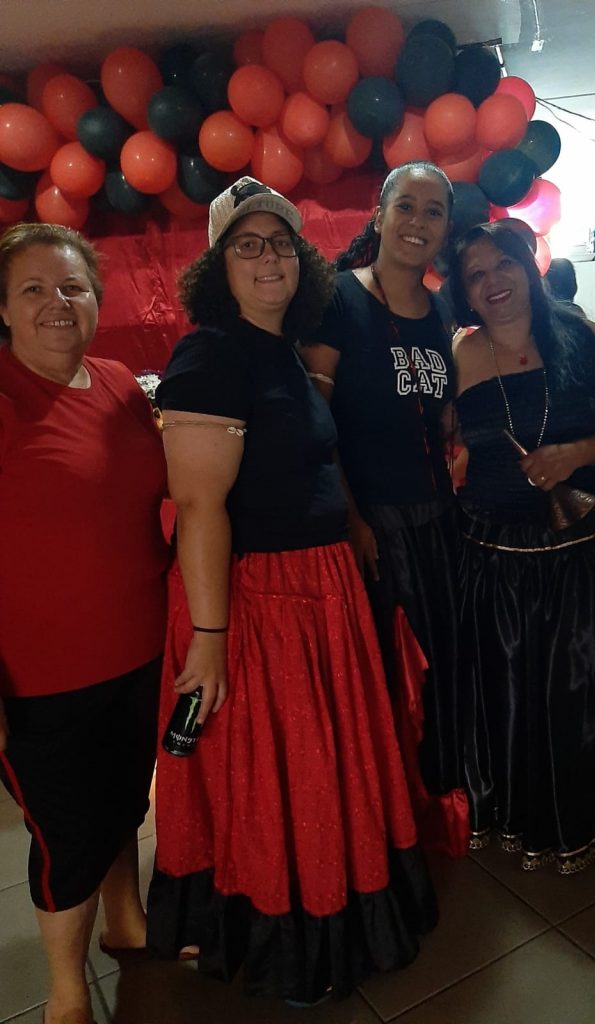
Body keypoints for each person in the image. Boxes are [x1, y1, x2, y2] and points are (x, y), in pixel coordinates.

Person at [146, 177, 437, 1005]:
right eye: (247, 245)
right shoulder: (211, 354)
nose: (268, 257)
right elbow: (199, 506)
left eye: (280, 243)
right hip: (259, 599)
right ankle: (288, 934)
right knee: (284, 772)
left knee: (320, 767)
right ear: (218, 265)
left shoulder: (280, 349)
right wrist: (211, 640)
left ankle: (337, 907)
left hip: (317, 587)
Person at [0, 223, 168, 1024]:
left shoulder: (120, 384)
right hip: (37, 678)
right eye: (33, 289)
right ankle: (66, 994)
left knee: (124, 801)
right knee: (68, 835)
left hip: (138, 652)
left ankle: (127, 923)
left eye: (72, 286)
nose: (57, 303)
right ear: (4, 309)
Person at [449, 221, 595, 872]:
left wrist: (576, 454)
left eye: (503, 264)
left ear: (527, 266)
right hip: (497, 562)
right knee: (514, 697)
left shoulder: (581, 334)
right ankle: (523, 821)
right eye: (475, 275)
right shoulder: (458, 356)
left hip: (592, 551)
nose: (493, 281)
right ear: (464, 293)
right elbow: (436, 442)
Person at [302, 161, 468, 856]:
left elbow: (447, 420)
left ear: (446, 229)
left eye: (434, 211)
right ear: (379, 215)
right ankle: (384, 819)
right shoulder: (340, 299)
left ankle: (434, 803)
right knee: (383, 678)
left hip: (437, 523)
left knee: (438, 669)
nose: (418, 222)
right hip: (371, 526)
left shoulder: (445, 314)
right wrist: (351, 518)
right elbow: (316, 423)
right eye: (406, 206)